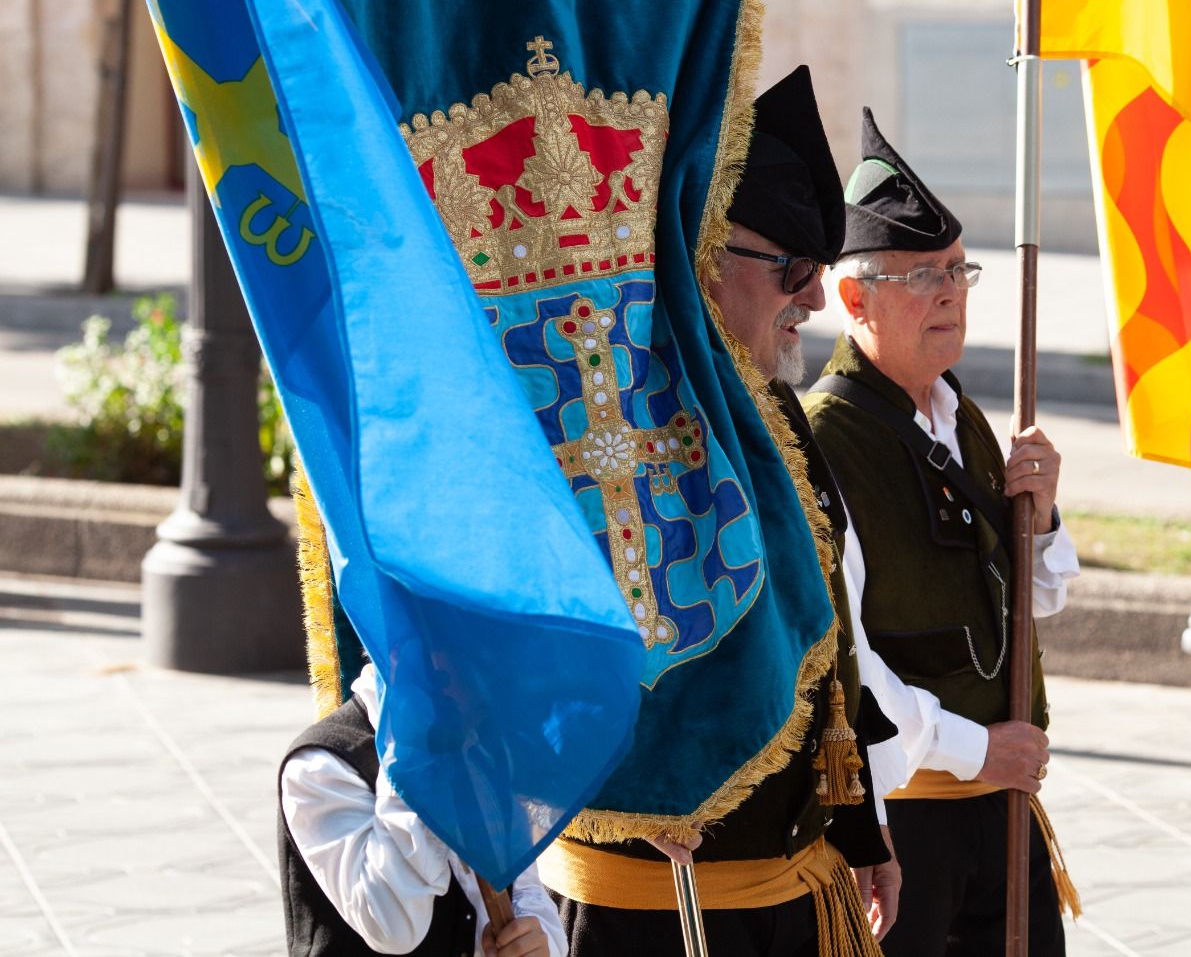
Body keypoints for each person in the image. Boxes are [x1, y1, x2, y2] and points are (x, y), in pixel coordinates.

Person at [541, 66, 902, 955]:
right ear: (703, 253)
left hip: (793, 879)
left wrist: (858, 828)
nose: (814, 298)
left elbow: (820, 631)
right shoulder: (599, 414)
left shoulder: (771, 404)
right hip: (649, 902)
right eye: (792, 267)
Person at [803, 109, 1080, 956]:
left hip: (1004, 814)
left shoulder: (964, 420)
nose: (952, 292)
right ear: (855, 298)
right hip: (903, 825)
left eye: (960, 270)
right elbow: (841, 654)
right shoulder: (825, 438)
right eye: (924, 275)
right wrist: (975, 749)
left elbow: (1039, 599)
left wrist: (1042, 515)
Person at [278, 661, 563, 957]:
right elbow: (393, 929)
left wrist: (534, 940)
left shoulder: (478, 746)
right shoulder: (320, 767)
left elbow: (523, 887)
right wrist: (412, 755)